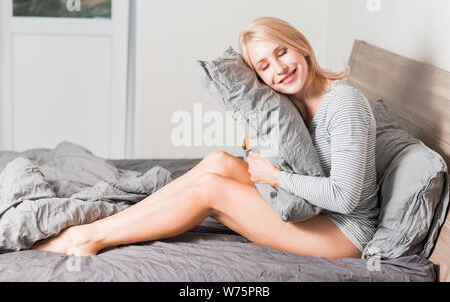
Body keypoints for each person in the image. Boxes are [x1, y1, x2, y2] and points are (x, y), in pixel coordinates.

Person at [33, 16, 379, 259]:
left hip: (342, 232)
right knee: (218, 162)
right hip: (310, 209)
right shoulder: (293, 100)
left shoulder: (344, 104)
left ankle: (87, 238)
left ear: (301, 47)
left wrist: (275, 177)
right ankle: (117, 221)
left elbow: (345, 197)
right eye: (264, 66)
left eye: (282, 52)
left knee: (211, 190)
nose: (279, 69)